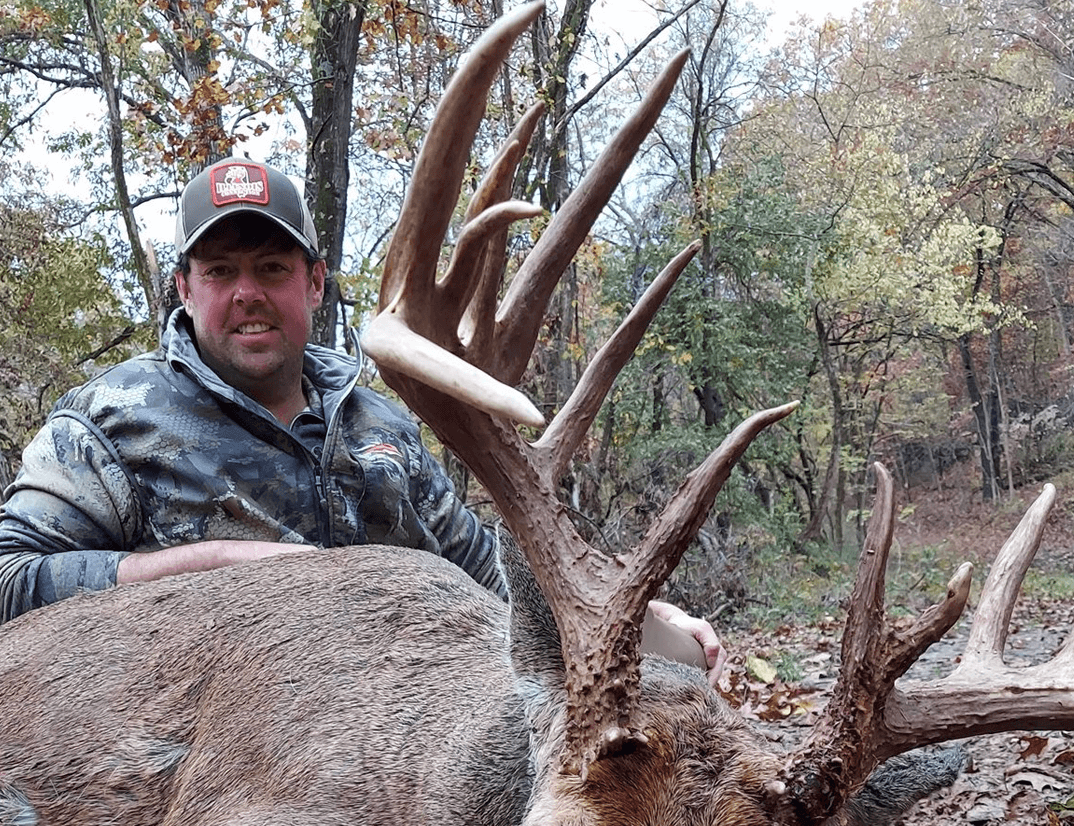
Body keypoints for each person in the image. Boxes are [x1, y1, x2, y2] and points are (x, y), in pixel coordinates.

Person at [0, 157, 723, 679]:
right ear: (185, 288)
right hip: (195, 771)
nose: (247, 293)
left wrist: (635, 616)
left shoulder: (383, 428)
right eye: (220, 271)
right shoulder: (111, 420)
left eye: (272, 268)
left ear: (315, 283)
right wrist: (212, 569)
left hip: (398, 761)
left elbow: (489, 578)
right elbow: (11, 581)